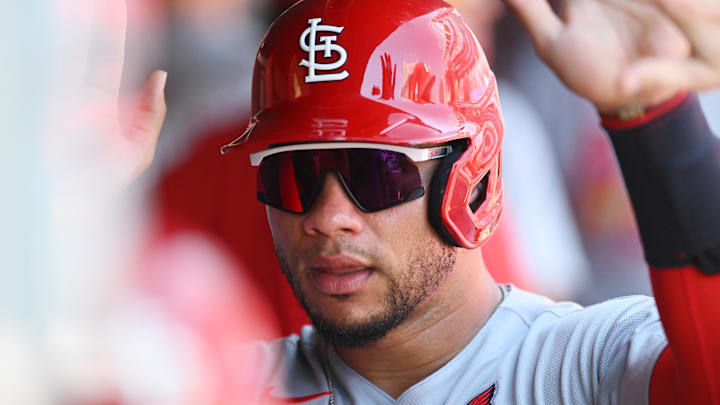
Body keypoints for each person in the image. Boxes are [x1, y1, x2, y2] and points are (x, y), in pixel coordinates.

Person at [105, 0, 720, 403]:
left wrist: (658, 123)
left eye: (375, 174)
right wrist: (71, 230)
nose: (326, 218)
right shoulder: (228, 383)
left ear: (470, 178)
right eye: (292, 175)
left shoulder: (580, 365)